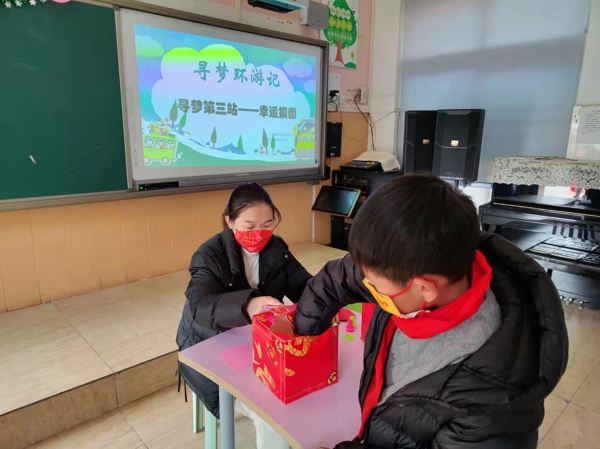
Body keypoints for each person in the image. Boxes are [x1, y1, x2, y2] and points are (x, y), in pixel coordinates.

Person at [294, 173, 568, 449]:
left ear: (425, 289)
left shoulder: (491, 407)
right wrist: (303, 340)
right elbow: (336, 279)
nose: (368, 287)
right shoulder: (409, 261)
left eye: (375, 286)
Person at [176, 182, 312, 449]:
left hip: (255, 341)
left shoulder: (276, 248)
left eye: (267, 225)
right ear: (230, 221)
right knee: (271, 412)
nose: (259, 234)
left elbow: (304, 285)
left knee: (299, 387)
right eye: (249, 226)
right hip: (210, 342)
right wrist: (248, 304)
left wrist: (328, 297)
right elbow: (200, 306)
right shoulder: (208, 255)